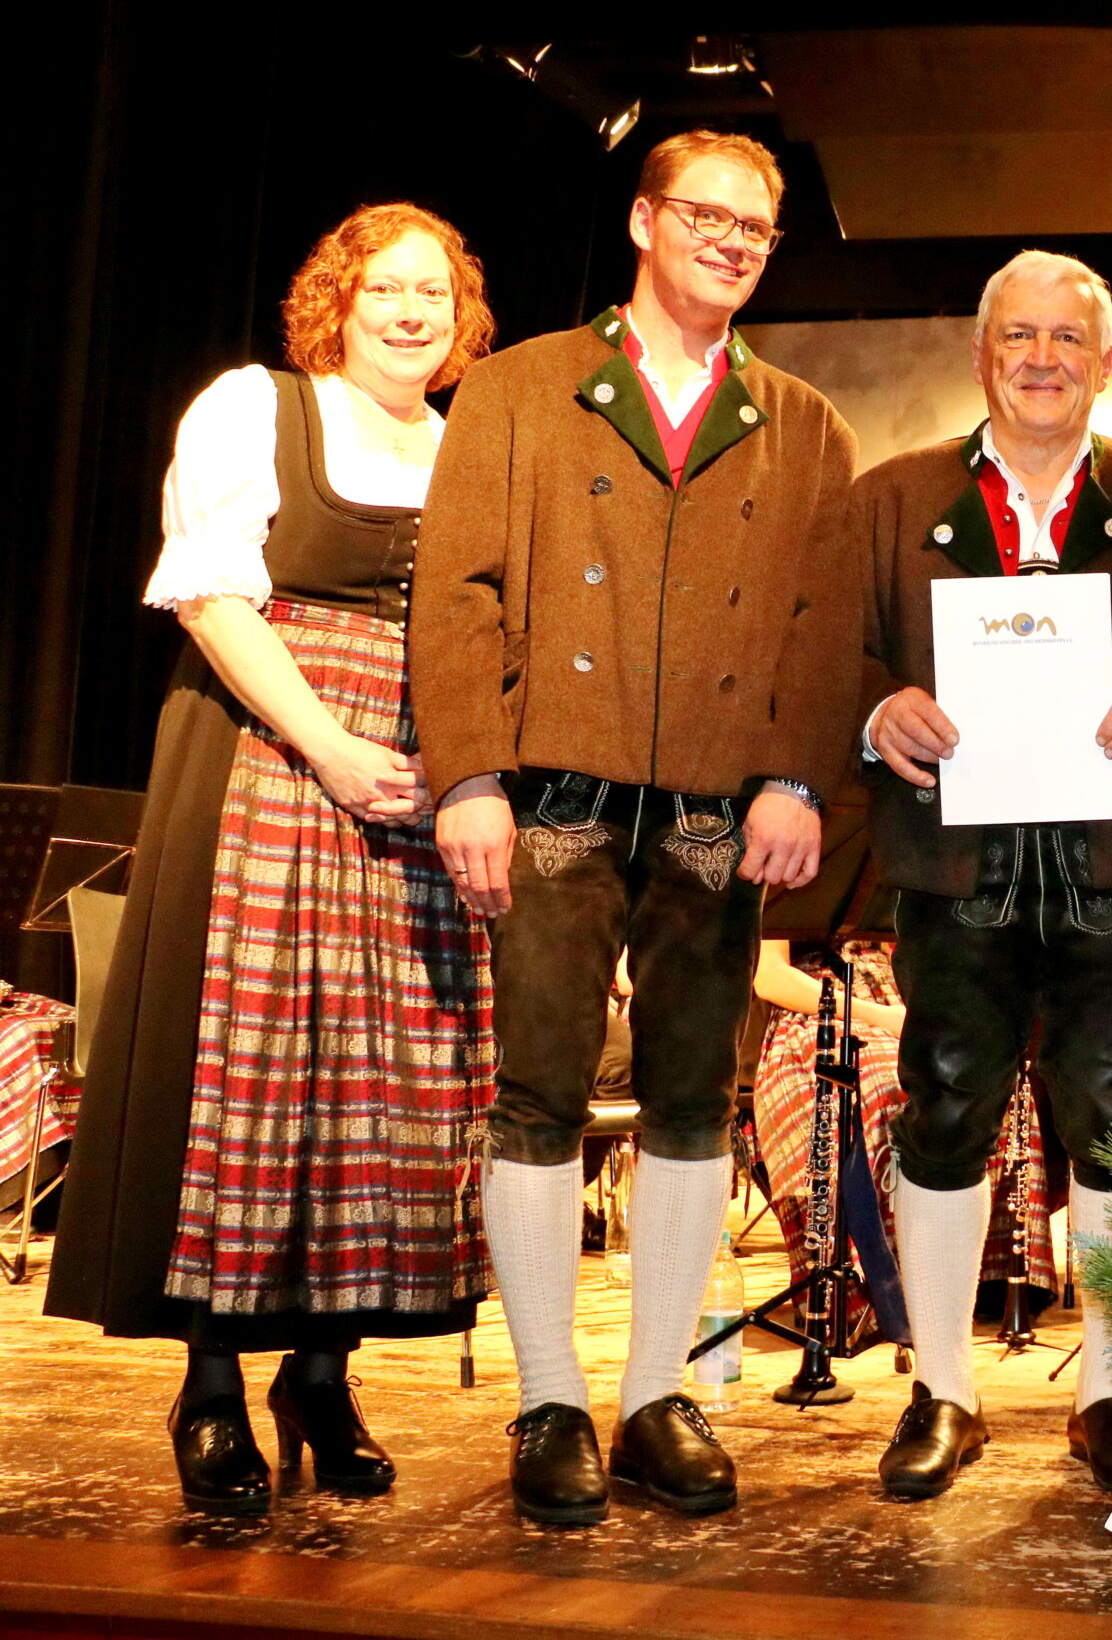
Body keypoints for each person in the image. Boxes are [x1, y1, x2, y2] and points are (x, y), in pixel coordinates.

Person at [411, 130, 867, 1524]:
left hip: (720, 805)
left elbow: (823, 624)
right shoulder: (519, 385)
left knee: (691, 1096)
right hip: (555, 789)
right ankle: (550, 1396)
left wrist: (798, 778)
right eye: (704, 215)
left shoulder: (804, 420)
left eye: (755, 227)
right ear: (642, 219)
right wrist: (468, 777)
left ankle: (658, 1393)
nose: (729, 241)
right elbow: (459, 589)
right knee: (540, 1090)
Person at [47, 204, 498, 1514]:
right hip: (270, 753)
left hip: (416, 783)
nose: (409, 312)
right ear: (336, 303)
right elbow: (212, 596)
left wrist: (462, 763)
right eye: (384, 289)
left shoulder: (470, 447)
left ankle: (320, 1375)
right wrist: (333, 746)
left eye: (432, 292)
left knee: (381, 1086)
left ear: (461, 315)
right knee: (248, 1072)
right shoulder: (258, 409)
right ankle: (209, 1386)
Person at [856, 250, 1112, 1500]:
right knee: (944, 1108)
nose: (1041, 358)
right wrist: (880, 708)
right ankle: (942, 1393)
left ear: (1105, 361)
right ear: (981, 355)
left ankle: (1106, 1395)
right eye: (1017, 337)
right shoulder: (891, 496)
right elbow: (834, 652)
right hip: (951, 862)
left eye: (1066, 339)